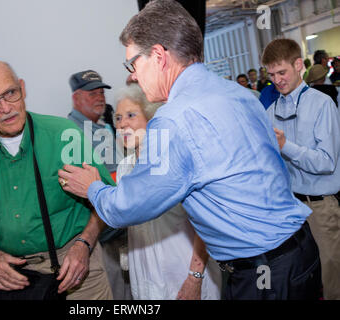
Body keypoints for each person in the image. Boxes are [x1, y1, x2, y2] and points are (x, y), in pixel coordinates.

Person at [58, 0, 322, 300]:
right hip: (299, 253)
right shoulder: (238, 93)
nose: (132, 75)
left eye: (133, 64)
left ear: (158, 56)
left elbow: (128, 207)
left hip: (265, 273)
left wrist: (92, 187)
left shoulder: (173, 121)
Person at [0, 60, 114, 300]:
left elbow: (105, 199)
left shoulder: (64, 135)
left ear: (22, 88)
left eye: (10, 93)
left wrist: (84, 245)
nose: (5, 108)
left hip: (77, 269)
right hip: (10, 276)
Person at [114, 83, 221, 300]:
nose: (122, 124)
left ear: (151, 119)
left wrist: (194, 277)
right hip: (146, 277)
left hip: (185, 274)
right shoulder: (124, 168)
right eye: (117, 118)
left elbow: (206, 223)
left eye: (131, 115)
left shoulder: (174, 161)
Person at [263, 38, 340, 300]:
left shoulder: (322, 104)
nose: (277, 80)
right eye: (271, 75)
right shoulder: (271, 111)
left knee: (331, 284)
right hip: (289, 211)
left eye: (282, 72)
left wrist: (286, 146)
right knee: (298, 281)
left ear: (298, 65)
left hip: (320, 209)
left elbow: (327, 162)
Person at [68, 70, 130, 299]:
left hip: (118, 226)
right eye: (92, 93)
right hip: (100, 233)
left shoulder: (103, 127)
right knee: (114, 292)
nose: (100, 97)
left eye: (101, 92)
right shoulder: (73, 132)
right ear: (76, 98)